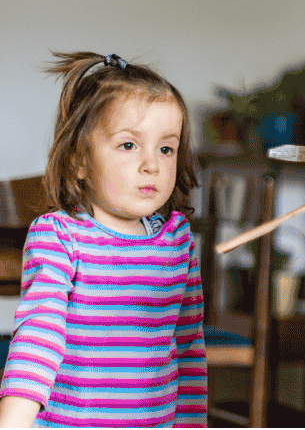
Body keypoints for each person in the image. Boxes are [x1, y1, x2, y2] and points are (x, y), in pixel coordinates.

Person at [0, 53, 206, 428]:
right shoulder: (60, 235)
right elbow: (38, 335)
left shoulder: (178, 242)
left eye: (166, 148)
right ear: (80, 161)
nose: (152, 165)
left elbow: (189, 348)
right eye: (129, 145)